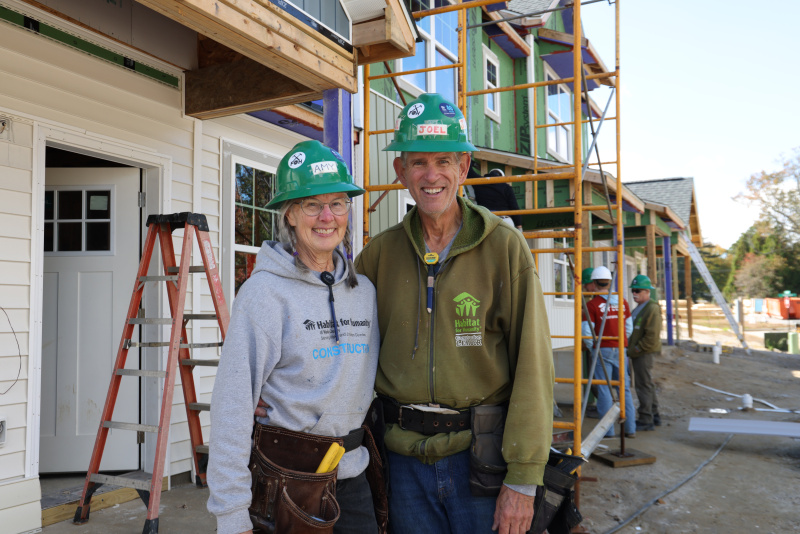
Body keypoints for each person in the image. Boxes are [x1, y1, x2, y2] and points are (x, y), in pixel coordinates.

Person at [354, 93, 554, 534]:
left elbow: (534, 368)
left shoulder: (504, 247)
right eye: (418, 162)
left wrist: (523, 477)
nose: (431, 175)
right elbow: (340, 344)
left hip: (482, 460)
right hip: (402, 464)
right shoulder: (378, 256)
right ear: (400, 171)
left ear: (463, 168)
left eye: (444, 161)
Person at [207, 140, 380, 534]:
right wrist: (231, 515)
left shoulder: (365, 293)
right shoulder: (263, 294)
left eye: (337, 203)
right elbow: (232, 407)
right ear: (289, 214)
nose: (326, 216)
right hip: (286, 479)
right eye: (310, 204)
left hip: (353, 479)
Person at [581, 266, 636, 438]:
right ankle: (630, 429)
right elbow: (628, 328)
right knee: (624, 389)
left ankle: (608, 431)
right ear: (609, 282)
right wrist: (621, 342)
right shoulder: (623, 302)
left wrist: (593, 348)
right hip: (620, 349)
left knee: (604, 391)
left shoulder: (591, 305)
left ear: (594, 283)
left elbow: (587, 333)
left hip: (602, 350)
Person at [627, 275, 662, 431]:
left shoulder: (651, 309)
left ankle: (646, 418)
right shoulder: (640, 308)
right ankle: (654, 415)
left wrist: (636, 349)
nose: (634, 294)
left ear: (647, 291)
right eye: (633, 291)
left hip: (644, 353)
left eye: (637, 291)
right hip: (640, 352)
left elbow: (651, 336)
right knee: (646, 384)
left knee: (643, 385)